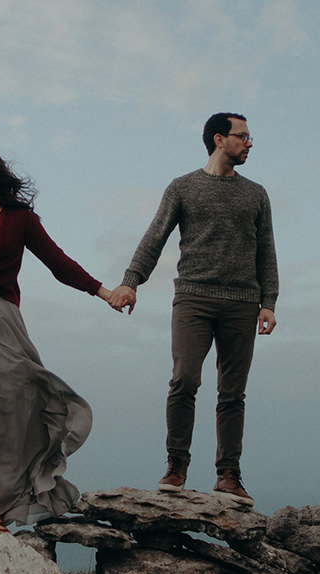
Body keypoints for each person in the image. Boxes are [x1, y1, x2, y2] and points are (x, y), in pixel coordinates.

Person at [0, 148, 121, 543]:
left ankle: (1, 510)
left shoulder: (20, 221)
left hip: (4, 328)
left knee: (13, 416)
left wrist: (104, 292)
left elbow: (59, 264)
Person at [109, 113, 277, 505]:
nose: (250, 143)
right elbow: (155, 237)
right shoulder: (183, 188)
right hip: (193, 299)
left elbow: (266, 250)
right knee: (184, 381)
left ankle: (228, 474)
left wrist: (269, 302)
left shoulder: (256, 194)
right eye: (243, 136)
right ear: (220, 139)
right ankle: (176, 465)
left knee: (232, 393)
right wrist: (130, 281)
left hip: (242, 303)